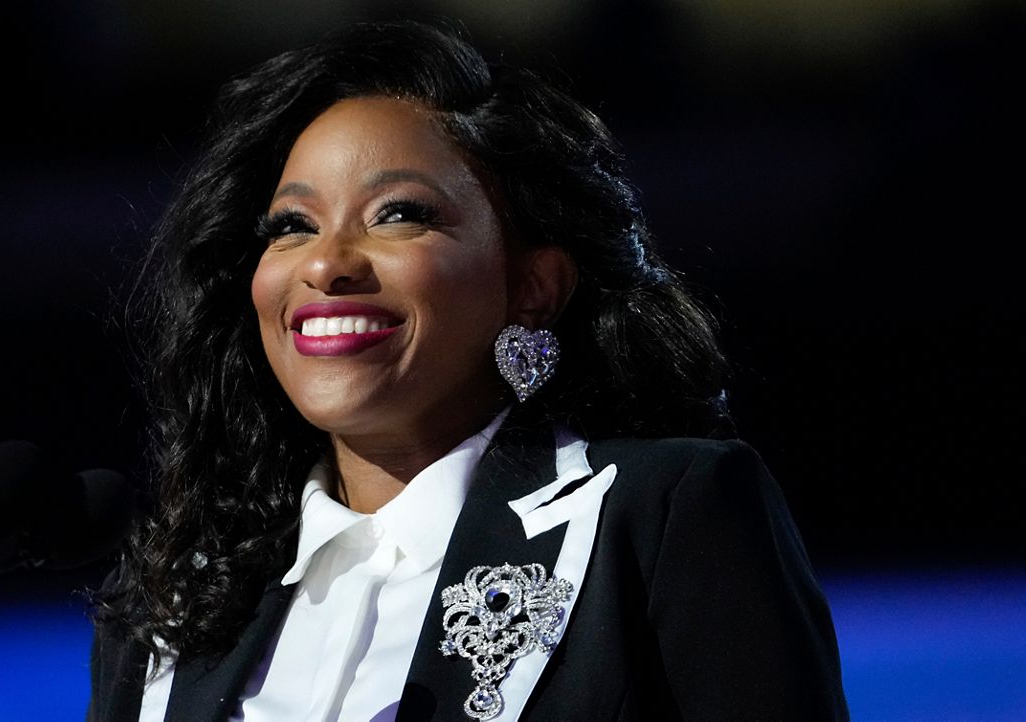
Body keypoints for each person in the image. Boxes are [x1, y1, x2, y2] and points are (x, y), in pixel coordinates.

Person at [88, 21, 848, 722]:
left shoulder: (662, 520)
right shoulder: (175, 603)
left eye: (398, 213)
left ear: (533, 288)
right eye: (293, 225)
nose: (325, 263)